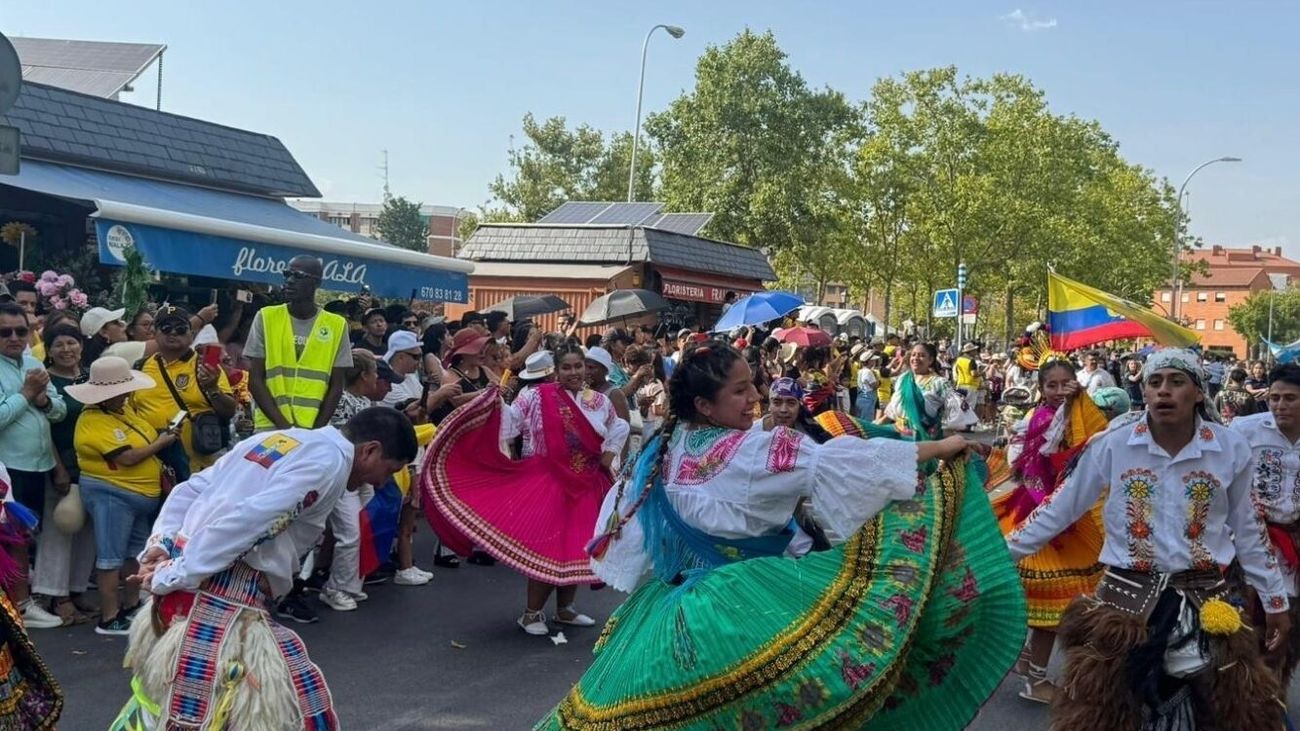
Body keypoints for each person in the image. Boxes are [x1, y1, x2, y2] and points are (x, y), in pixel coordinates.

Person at [537, 342, 1025, 729]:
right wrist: (940, 447)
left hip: (668, 612)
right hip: (740, 610)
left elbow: (626, 541)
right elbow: (847, 462)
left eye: (754, 384)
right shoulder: (755, 453)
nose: (755, 397)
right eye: (740, 391)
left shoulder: (662, 449)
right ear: (704, 404)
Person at [1006, 348, 1290, 729]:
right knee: (1102, 714)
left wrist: (1274, 600)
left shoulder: (1229, 448)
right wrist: (998, 557)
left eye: (1176, 382)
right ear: (1144, 391)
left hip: (1206, 600)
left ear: (1198, 392)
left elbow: (1249, 529)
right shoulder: (1113, 443)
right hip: (1124, 602)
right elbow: (1059, 508)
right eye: (1155, 382)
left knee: (1229, 712)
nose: (1163, 391)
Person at [110, 407, 417, 731]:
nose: (382, 482)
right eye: (389, 470)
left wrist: (162, 544)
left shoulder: (279, 438)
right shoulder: (328, 464)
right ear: (370, 450)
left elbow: (193, 488)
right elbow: (254, 519)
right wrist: (175, 572)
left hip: (188, 588)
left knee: (168, 699)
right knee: (239, 712)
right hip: (220, 598)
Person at [422, 343, 629, 635]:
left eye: (578, 366)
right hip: (549, 481)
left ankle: (565, 609)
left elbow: (618, 426)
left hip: (586, 483)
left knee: (576, 546)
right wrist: (493, 402)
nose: (573, 372)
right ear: (556, 371)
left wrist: (610, 454)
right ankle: (531, 614)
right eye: (566, 367)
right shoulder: (535, 396)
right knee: (548, 548)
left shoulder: (599, 401)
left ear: (586, 368)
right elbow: (510, 423)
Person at [993, 359, 1109, 704]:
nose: (1059, 390)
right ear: (1041, 390)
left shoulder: (1075, 412)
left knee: (1055, 603)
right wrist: (1054, 514)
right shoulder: (1044, 418)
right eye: (1052, 385)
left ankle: (1029, 660)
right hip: (1045, 520)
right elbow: (1032, 473)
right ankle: (1036, 681)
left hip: (1063, 514)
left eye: (1066, 383)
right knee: (1055, 606)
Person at [69, 356, 181, 636]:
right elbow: (128, 457)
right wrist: (162, 443)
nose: (127, 395)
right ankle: (109, 617)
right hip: (112, 493)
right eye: (121, 391)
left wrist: (161, 436)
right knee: (110, 558)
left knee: (134, 554)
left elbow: (141, 439)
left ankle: (130, 606)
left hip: (136, 496)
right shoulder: (92, 420)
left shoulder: (122, 410)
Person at [1229, 362, 1300, 687]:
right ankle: (1243, 694)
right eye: (1274, 398)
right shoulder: (1245, 429)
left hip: (1294, 545)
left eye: (1290, 398)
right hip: (1251, 538)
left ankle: (1273, 693)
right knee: (1244, 622)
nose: (1280, 405)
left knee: (1288, 627)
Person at [0, 302, 67, 629]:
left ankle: (19, 604)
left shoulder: (33, 363)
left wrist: (44, 399)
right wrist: (27, 394)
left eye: (21, 331)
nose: (14, 337)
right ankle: (22, 606)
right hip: (7, 468)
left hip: (38, 465)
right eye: (5, 332)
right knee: (12, 540)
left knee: (24, 538)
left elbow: (59, 411)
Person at [31, 324, 96, 626]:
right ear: (48, 349)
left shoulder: (92, 378)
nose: (66, 349)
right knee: (60, 527)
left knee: (88, 531)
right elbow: (43, 428)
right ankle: (56, 596)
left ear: (81, 345)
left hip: (93, 464)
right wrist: (57, 468)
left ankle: (76, 590)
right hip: (60, 463)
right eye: (59, 344)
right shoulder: (46, 382)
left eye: (72, 342)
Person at [246, 255, 352, 431]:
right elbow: (255, 380)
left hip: (311, 429)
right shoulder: (266, 317)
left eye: (298, 276)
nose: (289, 281)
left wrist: (314, 433)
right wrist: (286, 429)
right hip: (271, 427)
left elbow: (336, 387)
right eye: (287, 274)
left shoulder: (337, 325)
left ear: (316, 283)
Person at [132, 305, 238, 473]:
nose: (173, 333)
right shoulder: (140, 367)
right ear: (155, 333)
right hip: (152, 463)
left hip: (197, 468)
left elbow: (229, 411)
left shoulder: (205, 367)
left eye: (180, 328)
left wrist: (212, 388)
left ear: (191, 334)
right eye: (166, 328)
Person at [882, 342, 962, 438]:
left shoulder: (939, 383)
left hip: (926, 438)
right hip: (898, 433)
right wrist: (876, 425)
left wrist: (945, 433)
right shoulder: (903, 378)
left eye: (922, 356)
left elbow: (957, 410)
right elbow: (892, 409)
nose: (916, 358)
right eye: (913, 355)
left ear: (930, 360)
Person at [427, 328, 488, 425]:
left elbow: (499, 385)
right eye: (477, 349)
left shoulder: (484, 369)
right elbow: (456, 400)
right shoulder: (450, 375)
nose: (483, 353)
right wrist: (484, 393)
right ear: (464, 353)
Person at [953, 342, 983, 425]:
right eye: (974, 350)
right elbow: (974, 374)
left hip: (960, 385)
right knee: (969, 407)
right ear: (971, 351)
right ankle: (967, 425)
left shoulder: (959, 360)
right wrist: (983, 372)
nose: (976, 352)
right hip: (970, 386)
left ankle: (960, 424)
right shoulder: (971, 361)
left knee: (961, 405)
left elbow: (956, 372)